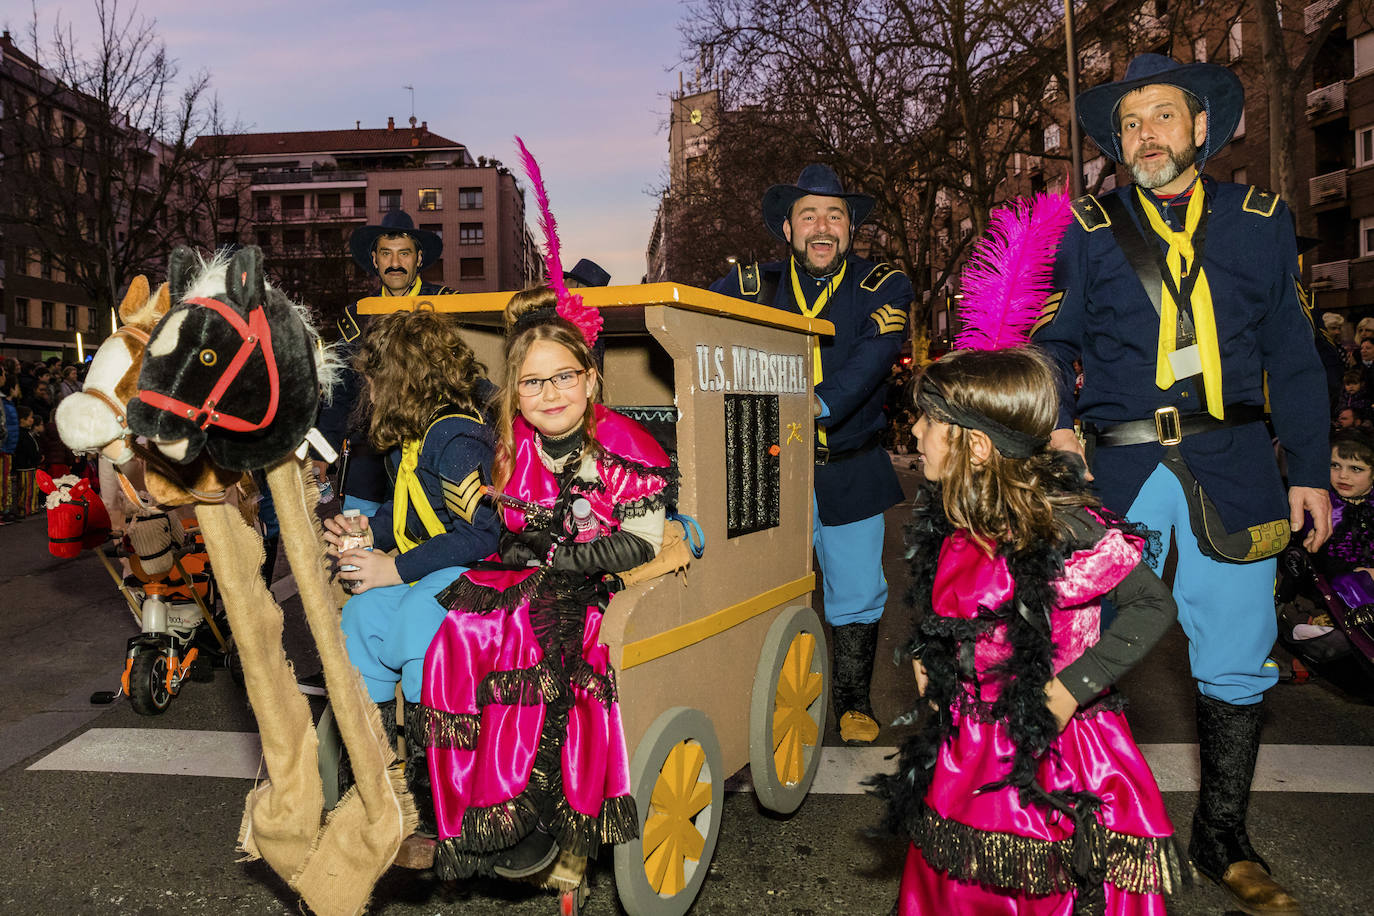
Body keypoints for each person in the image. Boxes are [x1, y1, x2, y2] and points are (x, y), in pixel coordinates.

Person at [1033, 53, 1329, 913]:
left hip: (1232, 469)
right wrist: (1054, 418)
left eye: (1162, 116)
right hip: (1117, 468)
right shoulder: (1089, 231)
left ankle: (1223, 836)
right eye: (1129, 124)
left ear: (1203, 128)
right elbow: (1058, 341)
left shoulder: (1262, 220)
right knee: (1083, 656)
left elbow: (1293, 355)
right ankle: (1088, 825)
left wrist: (1309, 469)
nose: (1144, 136)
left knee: (1237, 663)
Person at [874, 348, 1179, 914]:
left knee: (1032, 887)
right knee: (958, 886)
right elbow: (964, 608)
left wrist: (1069, 688)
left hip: (1051, 750)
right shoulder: (958, 511)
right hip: (967, 745)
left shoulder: (1061, 523)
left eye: (931, 420)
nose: (915, 431)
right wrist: (932, 650)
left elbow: (1150, 604)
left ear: (979, 447)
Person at [418, 285, 674, 881]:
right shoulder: (514, 450)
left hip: (598, 587)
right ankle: (472, 803)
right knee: (458, 631)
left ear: (589, 379)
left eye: (564, 377)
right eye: (533, 383)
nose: (550, 393)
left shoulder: (624, 445)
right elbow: (512, 534)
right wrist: (525, 560)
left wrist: (556, 560)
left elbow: (639, 541)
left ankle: (529, 805)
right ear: (516, 394)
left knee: (524, 631)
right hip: (535, 581)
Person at [710, 163, 913, 744]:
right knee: (760, 593)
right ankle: (765, 707)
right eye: (809, 216)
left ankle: (852, 702)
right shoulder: (750, 285)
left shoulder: (883, 285)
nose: (822, 226)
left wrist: (813, 404)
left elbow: (875, 358)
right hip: (766, 473)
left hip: (849, 466)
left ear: (850, 229)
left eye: (835, 215)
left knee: (856, 594)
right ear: (787, 228)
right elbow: (703, 343)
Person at [319, 307, 500, 834]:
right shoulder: (409, 440)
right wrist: (364, 533)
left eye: (374, 380)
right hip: (430, 567)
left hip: (477, 573)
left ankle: (434, 778)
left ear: (402, 378)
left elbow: (481, 534)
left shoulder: (457, 439)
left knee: (420, 620)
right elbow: (412, 518)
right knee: (362, 617)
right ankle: (370, 764)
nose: (368, 393)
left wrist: (393, 567)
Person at [319, 210, 455, 519]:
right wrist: (321, 453)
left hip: (433, 460)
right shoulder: (356, 315)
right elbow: (339, 392)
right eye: (386, 254)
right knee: (359, 553)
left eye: (404, 253)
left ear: (418, 259)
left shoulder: (448, 305)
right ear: (375, 260)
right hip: (368, 467)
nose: (395, 263)